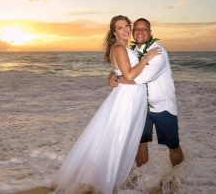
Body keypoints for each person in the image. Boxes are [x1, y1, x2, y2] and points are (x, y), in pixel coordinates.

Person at [50, 16, 161, 194]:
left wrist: (115, 76)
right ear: (114, 32)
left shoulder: (124, 48)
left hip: (131, 97)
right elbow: (131, 76)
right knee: (119, 139)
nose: (125, 30)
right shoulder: (119, 48)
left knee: (123, 138)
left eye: (127, 26)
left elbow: (123, 73)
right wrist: (146, 58)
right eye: (120, 28)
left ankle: (122, 178)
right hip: (127, 99)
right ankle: (109, 182)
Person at [109, 18, 183, 167]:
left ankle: (177, 180)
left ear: (150, 32)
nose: (140, 31)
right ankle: (142, 179)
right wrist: (112, 73)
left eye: (144, 29)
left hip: (163, 106)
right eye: (136, 28)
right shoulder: (133, 52)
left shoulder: (158, 52)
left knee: (172, 145)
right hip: (140, 106)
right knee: (140, 143)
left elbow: (140, 78)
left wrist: (116, 78)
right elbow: (123, 67)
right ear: (133, 32)